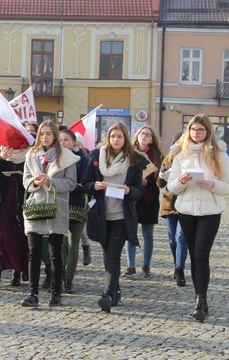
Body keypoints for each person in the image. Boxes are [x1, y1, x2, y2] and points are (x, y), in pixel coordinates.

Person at [168, 114, 229, 321]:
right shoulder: (180, 154)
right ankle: (198, 296)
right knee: (194, 254)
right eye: (193, 129)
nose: (197, 133)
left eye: (201, 130)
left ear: (208, 132)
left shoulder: (219, 154)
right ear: (189, 131)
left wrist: (212, 184)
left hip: (210, 211)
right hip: (187, 210)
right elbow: (171, 187)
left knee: (201, 254)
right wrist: (182, 180)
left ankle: (201, 300)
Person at [84, 122, 147, 313]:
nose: (116, 140)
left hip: (122, 215)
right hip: (101, 214)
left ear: (125, 138)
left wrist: (130, 190)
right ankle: (115, 289)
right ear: (108, 138)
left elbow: (139, 191)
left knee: (113, 254)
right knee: (107, 255)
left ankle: (107, 294)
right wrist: (94, 186)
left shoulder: (134, 160)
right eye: (112, 136)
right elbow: (85, 183)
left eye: (119, 136)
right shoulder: (97, 156)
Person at [20, 121, 79, 308]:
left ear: (54, 135)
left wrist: (50, 182)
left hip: (56, 206)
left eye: (48, 133)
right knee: (33, 251)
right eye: (41, 134)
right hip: (36, 205)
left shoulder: (66, 157)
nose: (44, 137)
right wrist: (36, 182)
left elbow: (71, 183)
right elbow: (26, 181)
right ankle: (32, 293)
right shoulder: (31, 155)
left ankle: (56, 293)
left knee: (55, 252)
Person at [0, 145, 29, 288]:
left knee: (18, 237)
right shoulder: (1, 150)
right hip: (1, 201)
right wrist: (1, 159)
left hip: (19, 201)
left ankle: (16, 272)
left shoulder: (29, 153)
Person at [124, 126, 164, 278]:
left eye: (148, 134)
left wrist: (149, 183)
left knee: (148, 233)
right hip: (132, 195)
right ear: (137, 136)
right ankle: (130, 265)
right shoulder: (129, 153)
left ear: (152, 139)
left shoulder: (157, 155)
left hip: (149, 197)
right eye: (142, 133)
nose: (144, 136)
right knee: (130, 231)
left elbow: (162, 180)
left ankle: (146, 265)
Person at [59, 128, 90, 294]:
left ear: (74, 143)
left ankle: (68, 279)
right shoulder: (54, 158)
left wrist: (67, 186)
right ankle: (53, 275)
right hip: (56, 205)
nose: (62, 143)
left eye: (66, 140)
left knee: (72, 244)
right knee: (56, 243)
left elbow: (84, 185)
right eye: (60, 140)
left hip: (76, 207)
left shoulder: (83, 160)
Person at [157, 131, 189, 287]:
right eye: (177, 142)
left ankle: (179, 269)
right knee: (172, 239)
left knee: (181, 237)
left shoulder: (190, 158)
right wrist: (162, 175)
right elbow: (159, 184)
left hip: (186, 202)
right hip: (170, 204)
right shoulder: (168, 159)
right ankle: (177, 263)